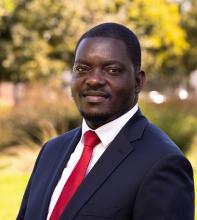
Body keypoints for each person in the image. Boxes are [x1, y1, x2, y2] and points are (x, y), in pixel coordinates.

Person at [17, 22, 194, 220]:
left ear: (138, 81)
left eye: (112, 70)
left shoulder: (163, 164)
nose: (93, 80)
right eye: (83, 68)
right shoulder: (51, 151)